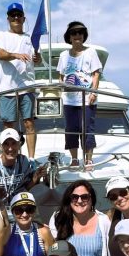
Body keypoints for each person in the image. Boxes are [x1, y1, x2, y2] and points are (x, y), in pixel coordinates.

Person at [0, 2, 41, 163]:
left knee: (29, 123)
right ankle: (10, 158)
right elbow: (0, 54)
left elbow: (37, 60)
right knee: (9, 126)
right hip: (7, 87)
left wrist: (37, 58)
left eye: (19, 15)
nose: (16, 18)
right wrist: (16, 55)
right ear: (8, 19)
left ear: (24, 19)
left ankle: (31, 159)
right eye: (13, 15)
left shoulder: (30, 39)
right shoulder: (1, 35)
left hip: (27, 86)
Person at [57, 21, 102, 171]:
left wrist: (94, 92)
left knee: (87, 129)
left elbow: (96, 74)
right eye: (74, 33)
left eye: (80, 32)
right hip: (69, 100)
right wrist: (62, 87)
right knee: (71, 129)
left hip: (87, 99)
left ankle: (88, 160)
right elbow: (61, 76)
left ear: (84, 36)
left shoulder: (91, 52)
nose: (77, 35)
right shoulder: (63, 55)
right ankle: (75, 159)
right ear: (69, 37)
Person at [52, 180, 112, 256]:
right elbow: (52, 254)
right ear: (69, 199)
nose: (79, 201)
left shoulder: (103, 221)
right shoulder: (58, 220)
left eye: (84, 197)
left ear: (91, 199)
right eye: (75, 197)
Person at [0, 128, 45, 206]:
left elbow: (27, 188)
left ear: (19, 145)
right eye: (6, 144)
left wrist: (35, 178)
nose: (10, 148)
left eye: (14, 143)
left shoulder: (25, 162)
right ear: (0, 147)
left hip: (19, 208)